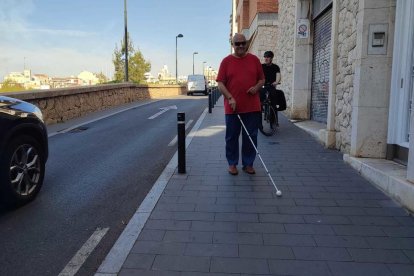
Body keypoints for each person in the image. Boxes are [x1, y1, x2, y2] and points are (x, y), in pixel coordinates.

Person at [216, 33, 265, 175]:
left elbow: (262, 79)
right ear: (233, 45)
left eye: (243, 43)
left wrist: (256, 88)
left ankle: (248, 163)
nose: (241, 46)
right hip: (233, 108)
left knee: (251, 136)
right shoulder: (226, 62)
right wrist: (230, 97)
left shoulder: (254, 60)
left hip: (252, 107)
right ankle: (232, 163)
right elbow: (220, 84)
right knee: (231, 137)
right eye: (237, 44)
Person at [261, 50, 281, 126]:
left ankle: (274, 121)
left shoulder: (276, 67)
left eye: (268, 57)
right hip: (263, 85)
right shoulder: (261, 66)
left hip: (272, 86)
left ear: (271, 58)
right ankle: (259, 122)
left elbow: (278, 76)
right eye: (265, 57)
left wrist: (276, 82)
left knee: (273, 103)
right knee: (259, 100)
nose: (266, 59)